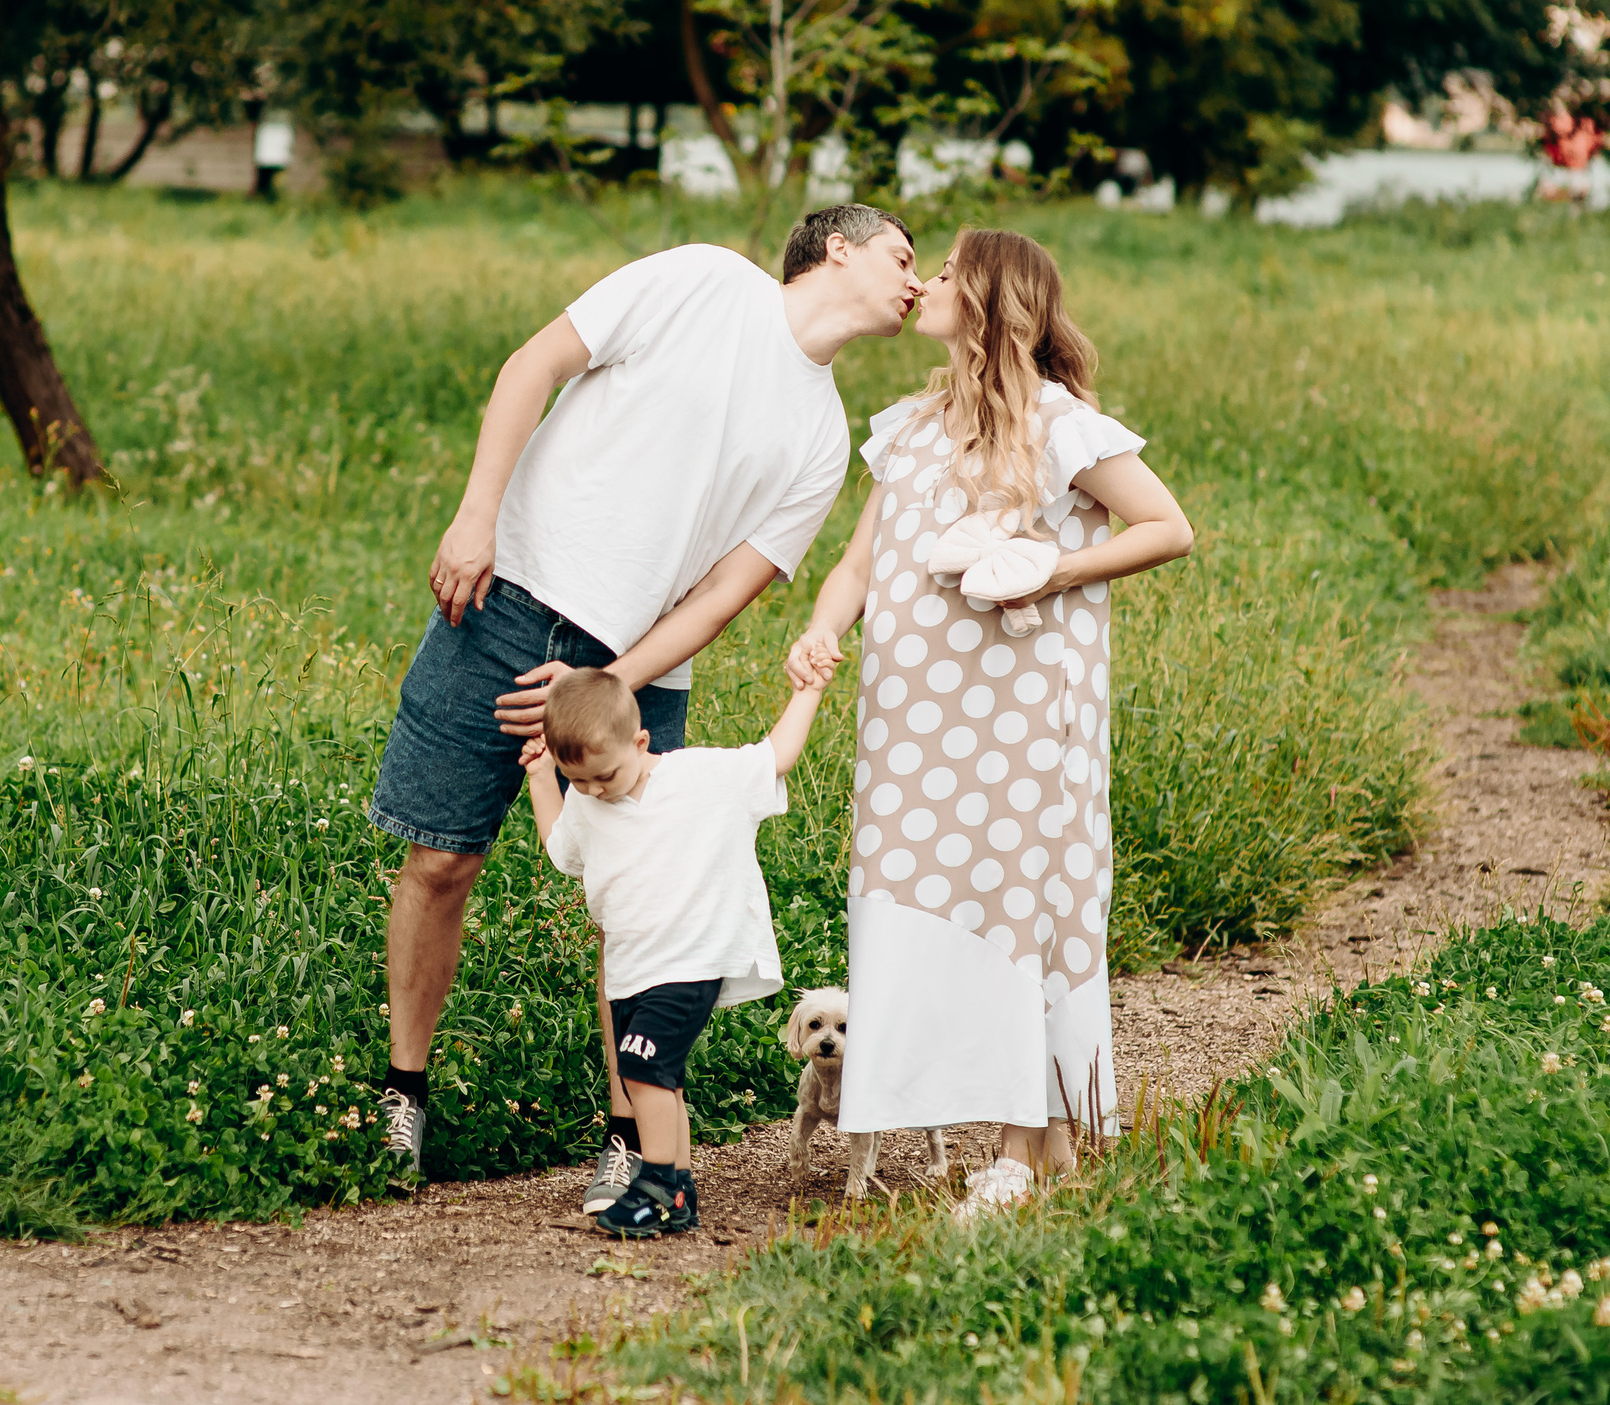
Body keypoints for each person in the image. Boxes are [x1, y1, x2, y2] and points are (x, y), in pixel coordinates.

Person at [366, 206, 924, 1202]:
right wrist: (474, 513)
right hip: (506, 597)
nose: (916, 279)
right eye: (901, 255)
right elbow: (530, 365)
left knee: (636, 900)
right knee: (440, 854)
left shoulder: (824, 437)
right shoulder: (704, 280)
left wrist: (612, 680)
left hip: (642, 666)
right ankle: (401, 1094)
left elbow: (724, 591)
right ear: (835, 248)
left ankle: (630, 1131)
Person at [786, 228, 1193, 1216]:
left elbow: (1165, 526)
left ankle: (1017, 1145)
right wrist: (822, 627)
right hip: (909, 725)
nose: (922, 281)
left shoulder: (1061, 425)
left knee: (1020, 907)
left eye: (946, 268)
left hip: (1017, 721)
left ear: (987, 297)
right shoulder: (911, 427)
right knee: (908, 910)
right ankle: (1036, 1137)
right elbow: (858, 562)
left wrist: (1049, 566)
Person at [521, 663, 830, 1236]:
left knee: (640, 1068)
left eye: (603, 776)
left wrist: (807, 691)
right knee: (659, 1077)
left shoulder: (702, 777)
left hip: (691, 961)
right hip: (631, 972)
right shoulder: (587, 802)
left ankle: (659, 1185)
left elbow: (776, 757)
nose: (591, 791)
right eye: (578, 780)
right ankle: (679, 1188)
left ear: (639, 742)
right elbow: (562, 852)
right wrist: (544, 778)